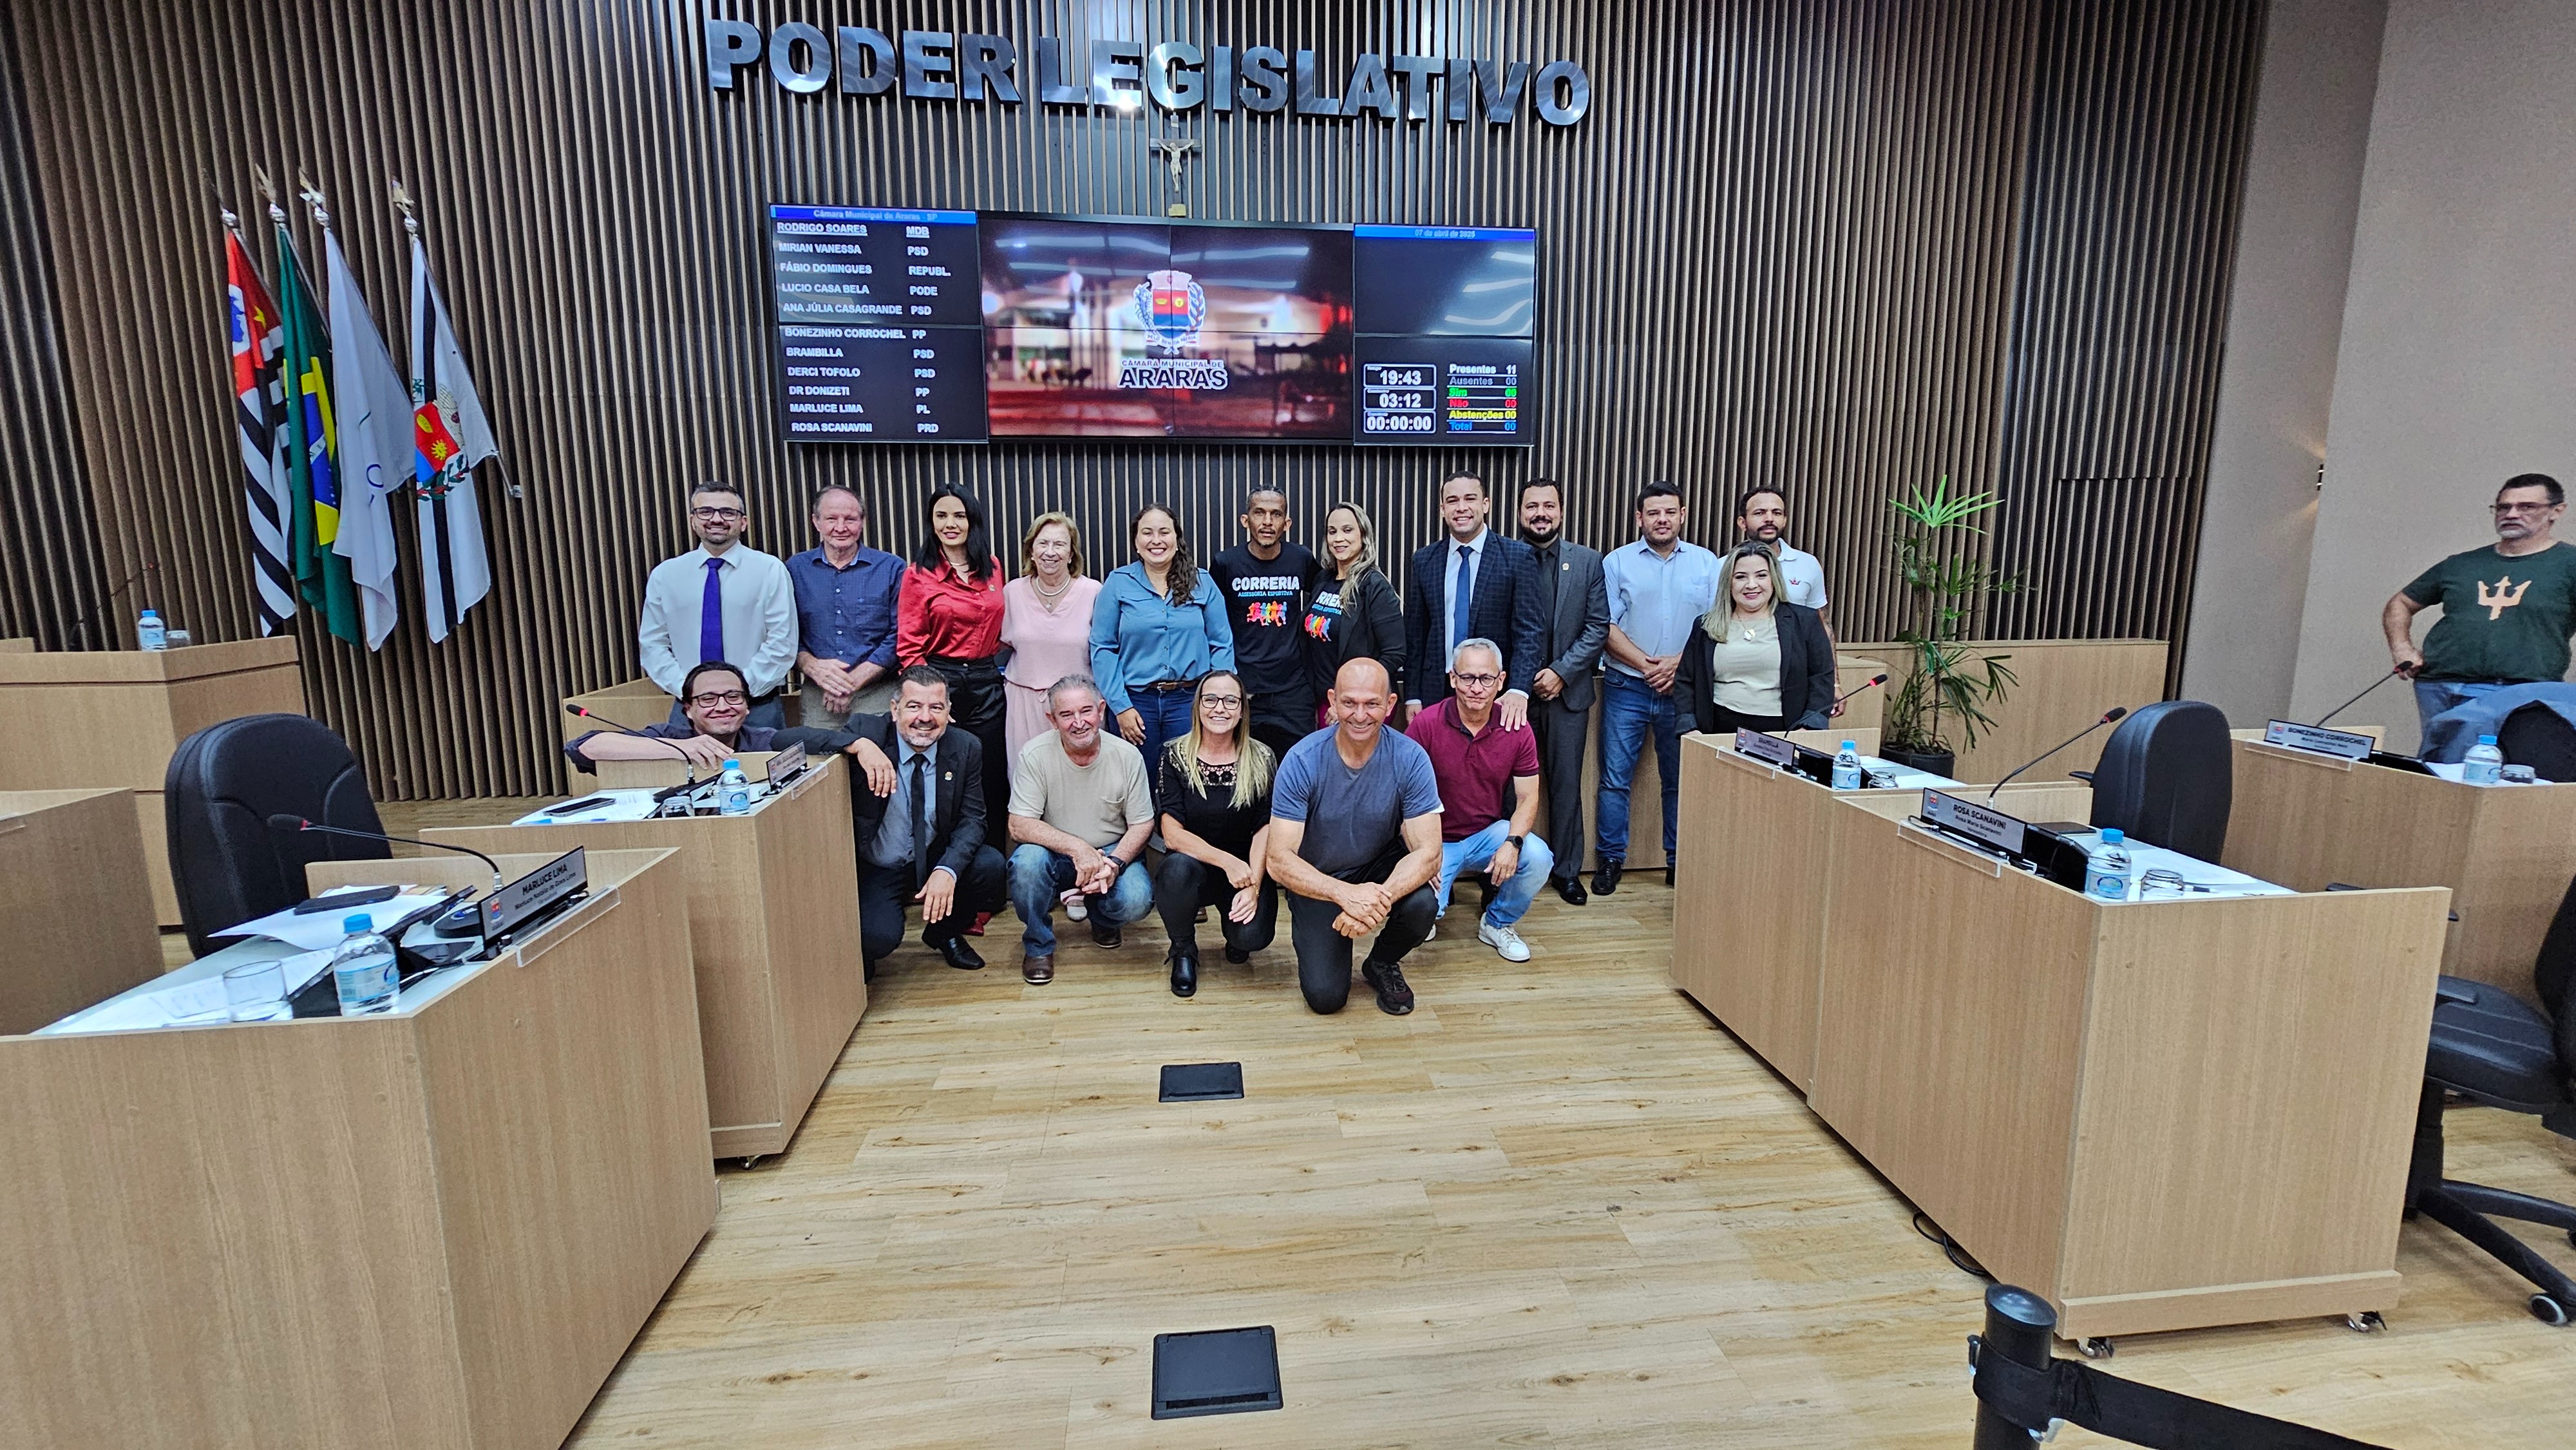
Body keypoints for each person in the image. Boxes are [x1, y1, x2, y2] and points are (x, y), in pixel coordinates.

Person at [1267, 658, 1444, 1017]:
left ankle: (1382, 961)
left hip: (1377, 867)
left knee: (1424, 902)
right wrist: (1344, 894)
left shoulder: (1411, 758)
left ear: (1390, 705)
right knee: (1326, 998)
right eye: (1349, 703)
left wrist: (1374, 903)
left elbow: (1430, 852)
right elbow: (1278, 860)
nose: (1360, 715)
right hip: (1318, 878)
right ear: (1332, 701)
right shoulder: (1302, 760)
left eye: (1371, 704)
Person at [1594, 481, 1724, 894]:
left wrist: (1678, 666)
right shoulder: (1617, 562)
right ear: (1640, 518)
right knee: (1615, 779)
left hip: (1683, 689)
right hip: (1626, 685)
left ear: (1682, 515)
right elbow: (1604, 626)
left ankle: (1677, 862)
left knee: (1679, 779)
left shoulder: (1707, 564)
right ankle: (1610, 860)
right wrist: (1647, 666)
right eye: (1653, 513)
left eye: (1670, 512)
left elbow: (1718, 624)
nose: (1662, 519)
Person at [843, 666, 1007, 977]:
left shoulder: (965, 746)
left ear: (948, 712)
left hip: (932, 854)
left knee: (990, 868)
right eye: (914, 706)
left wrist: (948, 870)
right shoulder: (868, 732)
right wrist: (858, 745)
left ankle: (944, 933)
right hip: (880, 864)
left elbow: (974, 820)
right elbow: (789, 739)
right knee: (878, 937)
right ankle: (865, 951)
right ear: (895, 709)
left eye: (936, 707)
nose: (925, 717)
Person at [2384, 474, 2576, 737]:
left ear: (2556, 511)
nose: (2512, 514)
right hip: (2439, 685)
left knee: (2494, 761)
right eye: (2504, 507)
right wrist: (2402, 649)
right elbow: (2401, 603)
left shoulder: (2569, 564)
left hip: (2518, 690)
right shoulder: (2462, 564)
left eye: (2527, 507)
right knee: (2437, 760)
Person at [1407, 639, 1553, 963]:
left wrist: (1513, 843)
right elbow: (1401, 796)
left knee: (1538, 857)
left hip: (1487, 834)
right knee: (1420, 921)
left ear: (1501, 681)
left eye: (1486, 678)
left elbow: (1528, 797)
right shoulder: (1426, 724)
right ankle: (1427, 911)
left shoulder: (1516, 728)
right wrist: (1420, 852)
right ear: (1453, 679)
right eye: (1468, 677)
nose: (1477, 688)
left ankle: (1497, 923)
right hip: (1435, 840)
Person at [1006, 674, 1155, 985]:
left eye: (1086, 711)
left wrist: (1114, 864)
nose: (1078, 723)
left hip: (1111, 854)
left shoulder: (1127, 755)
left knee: (1137, 899)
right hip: (1055, 854)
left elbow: (1143, 823)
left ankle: (1102, 917)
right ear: (1052, 719)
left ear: (1101, 710)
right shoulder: (1034, 754)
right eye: (1066, 714)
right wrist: (1078, 849)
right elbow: (1018, 825)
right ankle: (1038, 944)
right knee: (1027, 864)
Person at [565, 661, 898, 790]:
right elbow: (585, 747)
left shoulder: (760, 739)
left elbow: (810, 737)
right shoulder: (668, 737)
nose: (723, 707)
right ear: (688, 710)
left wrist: (860, 744)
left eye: (733, 697)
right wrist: (681, 749)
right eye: (708, 699)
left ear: (747, 706)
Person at [1151, 672, 1280, 997]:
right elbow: (1172, 834)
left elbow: (1265, 828)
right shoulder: (1174, 755)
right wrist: (1227, 862)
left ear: (1242, 710)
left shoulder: (1263, 757)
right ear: (1198, 706)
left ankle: (1235, 935)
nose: (1219, 708)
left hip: (1246, 870)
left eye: (1230, 701)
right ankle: (1183, 949)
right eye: (1210, 699)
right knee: (1176, 869)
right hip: (1193, 867)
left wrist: (1253, 885)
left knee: (1252, 938)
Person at [1089, 503, 1235, 784]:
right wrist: (1121, 706)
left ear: (1176, 539)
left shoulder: (1202, 583)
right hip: (1135, 703)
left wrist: (1216, 699)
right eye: (1147, 533)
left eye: (1164, 532)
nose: (1156, 540)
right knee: (1136, 782)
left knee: (1188, 781)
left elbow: (1221, 644)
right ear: (1136, 542)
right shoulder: (1118, 583)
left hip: (1189, 702)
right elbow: (1103, 647)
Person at [638, 481, 796, 729]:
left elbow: (782, 642)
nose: (716, 519)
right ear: (693, 520)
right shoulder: (665, 575)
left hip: (756, 706)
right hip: (689, 709)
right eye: (706, 512)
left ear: (743, 522)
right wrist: (692, 692)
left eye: (728, 512)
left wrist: (736, 694)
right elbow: (653, 644)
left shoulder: (770, 570)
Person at [898, 487, 1011, 832]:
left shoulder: (992, 567)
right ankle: (944, 857)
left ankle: (990, 858)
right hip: (940, 681)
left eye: (959, 515)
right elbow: (909, 646)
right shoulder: (918, 574)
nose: (950, 524)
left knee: (992, 774)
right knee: (946, 774)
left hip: (987, 681)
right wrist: (930, 699)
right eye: (941, 516)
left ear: (972, 520)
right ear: (931, 522)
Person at [1517, 478, 1607, 905]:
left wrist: (1561, 672)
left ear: (1561, 512)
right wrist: (1520, 681)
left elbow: (1597, 627)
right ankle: (1509, 871)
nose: (1541, 513)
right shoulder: (1505, 558)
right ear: (1520, 513)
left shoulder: (1588, 562)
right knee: (1510, 789)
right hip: (1515, 698)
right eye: (1532, 506)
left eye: (1548, 506)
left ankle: (1568, 871)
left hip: (1567, 696)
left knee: (1567, 786)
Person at [1402, 471, 1546, 731]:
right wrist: (1413, 696)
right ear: (1442, 509)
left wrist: (1518, 690)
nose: (1461, 508)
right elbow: (1416, 636)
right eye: (1453, 501)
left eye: (1470, 499)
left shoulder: (1518, 558)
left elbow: (1530, 633)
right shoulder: (1424, 561)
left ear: (1485, 504)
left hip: (1495, 694)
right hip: (1437, 691)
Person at [1674, 543, 1838, 737]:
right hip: (1717, 731)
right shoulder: (1705, 625)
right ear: (1728, 582)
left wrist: (1809, 728)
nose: (1751, 585)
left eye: (1761, 575)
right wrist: (1690, 728)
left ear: (1774, 580)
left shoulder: (1804, 621)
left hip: (1785, 731)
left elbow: (1822, 677)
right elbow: (1685, 680)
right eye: (1740, 577)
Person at [1209, 489, 1322, 758]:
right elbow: (1210, 622)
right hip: (1244, 690)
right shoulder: (1226, 563)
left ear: (1287, 523)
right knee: (1245, 772)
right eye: (1259, 513)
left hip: (1293, 692)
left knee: (1299, 768)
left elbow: (1327, 596)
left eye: (1276, 514)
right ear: (1245, 520)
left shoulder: (1301, 558)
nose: (1268, 522)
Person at [788, 485, 905, 728]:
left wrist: (851, 682)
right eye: (831, 519)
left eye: (850, 519)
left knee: (877, 752)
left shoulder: (892, 568)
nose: (841, 527)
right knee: (820, 753)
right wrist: (812, 667)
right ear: (816, 522)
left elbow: (901, 633)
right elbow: (784, 632)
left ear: (862, 522)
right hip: (819, 694)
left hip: (878, 692)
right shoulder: (795, 569)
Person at [1001, 511, 1103, 765]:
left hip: (1079, 708)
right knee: (1027, 776)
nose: (1050, 552)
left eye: (1059, 544)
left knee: (1082, 774)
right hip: (1023, 706)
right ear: (1031, 551)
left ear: (1071, 554)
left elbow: (1107, 650)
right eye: (1043, 543)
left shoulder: (1094, 592)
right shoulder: (1012, 592)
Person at [1302, 501, 1405, 729]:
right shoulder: (1323, 580)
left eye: (1347, 530)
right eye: (1332, 531)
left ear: (1363, 535)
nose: (1338, 538)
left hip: (1360, 705)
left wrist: (1350, 701)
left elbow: (1395, 653)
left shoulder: (1375, 586)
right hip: (1323, 699)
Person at [1735, 487, 1831, 635]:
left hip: (1796, 649)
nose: (1769, 519)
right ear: (1742, 522)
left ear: (1785, 520)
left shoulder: (1808, 564)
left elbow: (1822, 623)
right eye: (1760, 513)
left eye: (1777, 513)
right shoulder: (1723, 566)